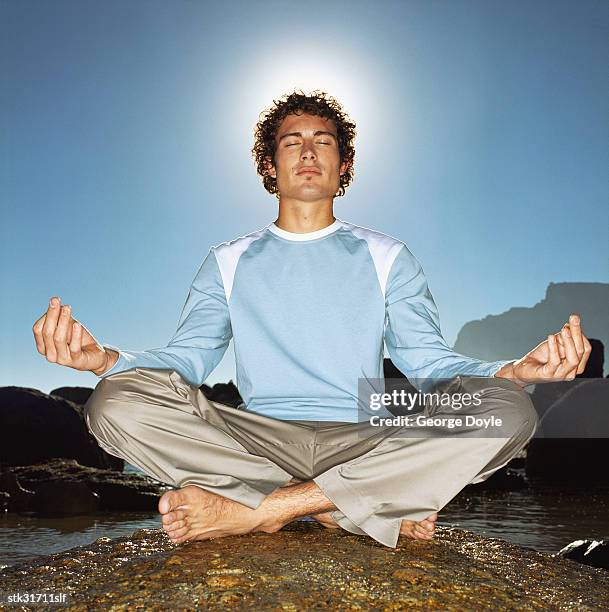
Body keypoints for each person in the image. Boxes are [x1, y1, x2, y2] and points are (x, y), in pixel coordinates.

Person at [32, 91, 591, 548]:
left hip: (368, 429)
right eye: (291, 142)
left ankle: (264, 509)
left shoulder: (387, 255)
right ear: (269, 165)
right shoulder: (226, 260)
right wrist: (103, 360)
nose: (307, 152)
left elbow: (429, 364)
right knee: (113, 402)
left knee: (505, 410)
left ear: (342, 164)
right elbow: (186, 360)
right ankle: (356, 506)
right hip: (257, 438)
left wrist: (515, 370)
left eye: (322, 142)